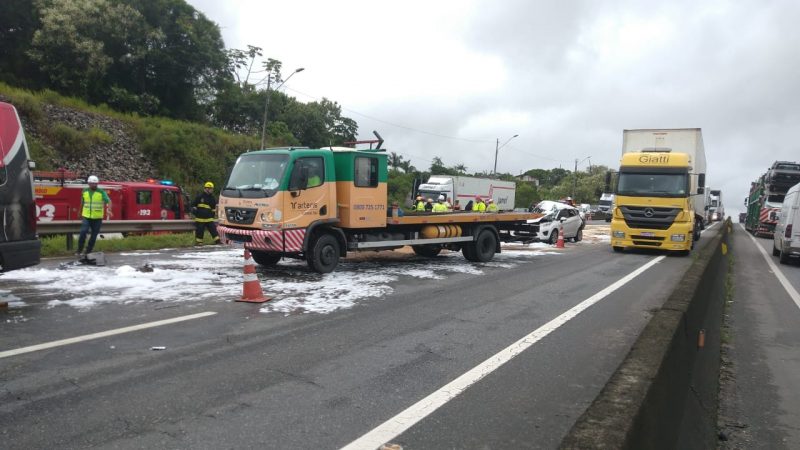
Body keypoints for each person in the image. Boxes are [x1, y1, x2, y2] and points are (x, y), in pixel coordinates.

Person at [76, 175, 112, 258]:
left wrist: (109, 210)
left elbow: (109, 201)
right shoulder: (84, 191)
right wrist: (79, 211)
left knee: (94, 235)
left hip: (97, 217)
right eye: (92, 184)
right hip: (86, 216)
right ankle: (79, 250)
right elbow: (82, 202)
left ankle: (88, 251)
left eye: (95, 184)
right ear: (88, 183)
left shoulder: (101, 192)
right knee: (83, 232)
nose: (94, 185)